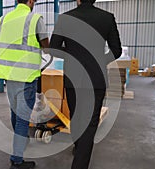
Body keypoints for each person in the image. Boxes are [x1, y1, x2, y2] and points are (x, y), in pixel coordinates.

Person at [50, 0, 122, 169]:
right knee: (89, 124)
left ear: (77, 0)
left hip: (73, 78)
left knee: (76, 117)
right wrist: (98, 61)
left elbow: (53, 48)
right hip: (96, 78)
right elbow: (116, 50)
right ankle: (81, 154)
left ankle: (79, 148)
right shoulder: (107, 18)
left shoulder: (65, 18)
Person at [0, 0, 49, 168]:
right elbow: (46, 46)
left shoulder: (3, 19)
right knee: (23, 119)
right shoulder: (35, 19)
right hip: (26, 76)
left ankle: (20, 141)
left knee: (15, 113)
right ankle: (17, 161)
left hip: (8, 76)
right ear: (31, 1)